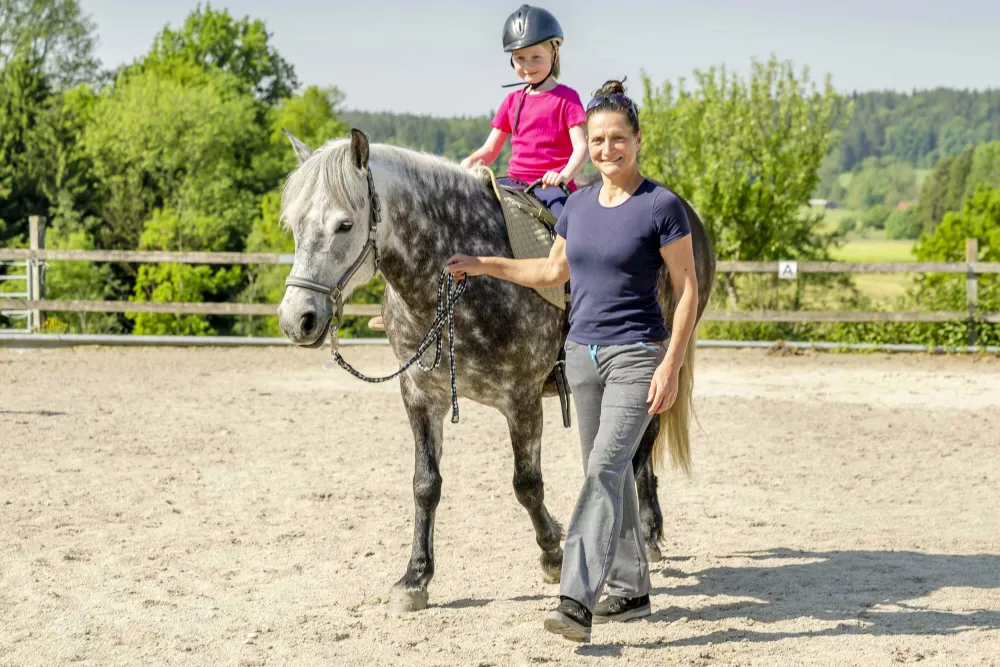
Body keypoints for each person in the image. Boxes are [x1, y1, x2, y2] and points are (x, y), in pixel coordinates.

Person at [444, 79, 699, 643]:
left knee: (604, 471)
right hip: (580, 358)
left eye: (618, 139)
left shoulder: (661, 206)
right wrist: (483, 264)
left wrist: (671, 363)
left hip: (637, 357)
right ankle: (631, 587)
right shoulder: (578, 205)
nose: (607, 149)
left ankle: (576, 599)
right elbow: (550, 274)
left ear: (637, 140)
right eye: (600, 140)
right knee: (607, 475)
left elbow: (686, 290)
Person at [367, 4, 587, 331]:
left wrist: (564, 174)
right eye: (519, 59)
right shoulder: (512, 102)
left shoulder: (567, 99)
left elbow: (582, 146)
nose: (527, 66)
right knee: (464, 216)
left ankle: (577, 304)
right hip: (512, 181)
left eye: (535, 57)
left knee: (573, 231)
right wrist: (469, 163)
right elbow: (490, 148)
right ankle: (417, 309)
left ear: (554, 53)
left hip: (551, 184)